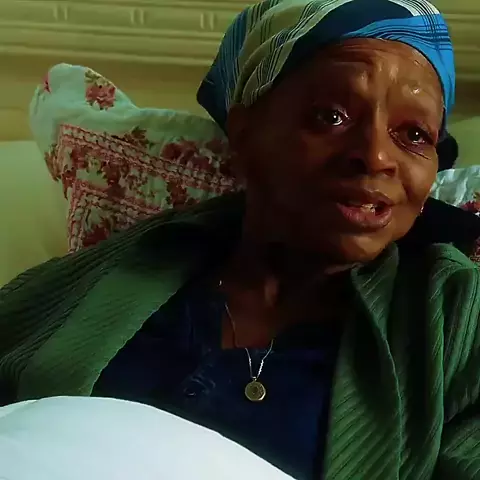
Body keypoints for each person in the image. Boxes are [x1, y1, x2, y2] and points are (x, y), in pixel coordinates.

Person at [1, 0, 480, 478]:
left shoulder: (455, 319)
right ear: (246, 133)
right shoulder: (111, 275)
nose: (375, 156)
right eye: (331, 116)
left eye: (414, 134)